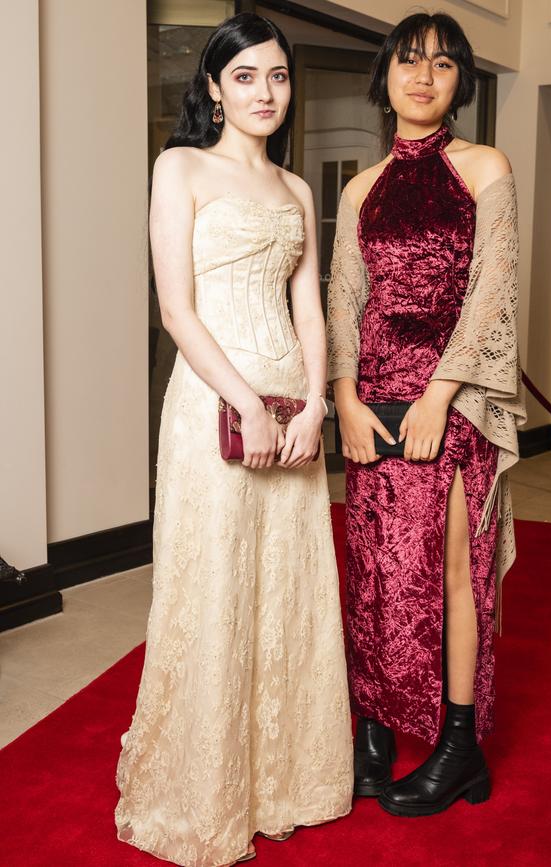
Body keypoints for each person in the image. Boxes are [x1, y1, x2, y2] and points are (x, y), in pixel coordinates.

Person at [115, 13, 353, 865]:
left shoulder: (295, 191)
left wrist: (316, 405)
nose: (264, 92)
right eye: (245, 76)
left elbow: (310, 306)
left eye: (278, 77)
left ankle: (286, 777)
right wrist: (246, 401)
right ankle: (204, 787)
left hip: (292, 402)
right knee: (215, 580)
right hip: (216, 400)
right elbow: (176, 309)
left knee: (285, 583)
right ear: (213, 87)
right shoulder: (178, 166)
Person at [327, 11, 526, 817]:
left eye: (442, 65)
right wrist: (343, 395)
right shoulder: (360, 187)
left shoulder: (484, 167)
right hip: (372, 399)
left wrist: (441, 395)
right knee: (373, 571)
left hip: (452, 402)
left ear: (459, 83)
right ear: (386, 76)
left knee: (451, 575)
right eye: (409, 61)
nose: (423, 76)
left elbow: (492, 291)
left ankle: (459, 744)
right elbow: (345, 299)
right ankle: (372, 739)